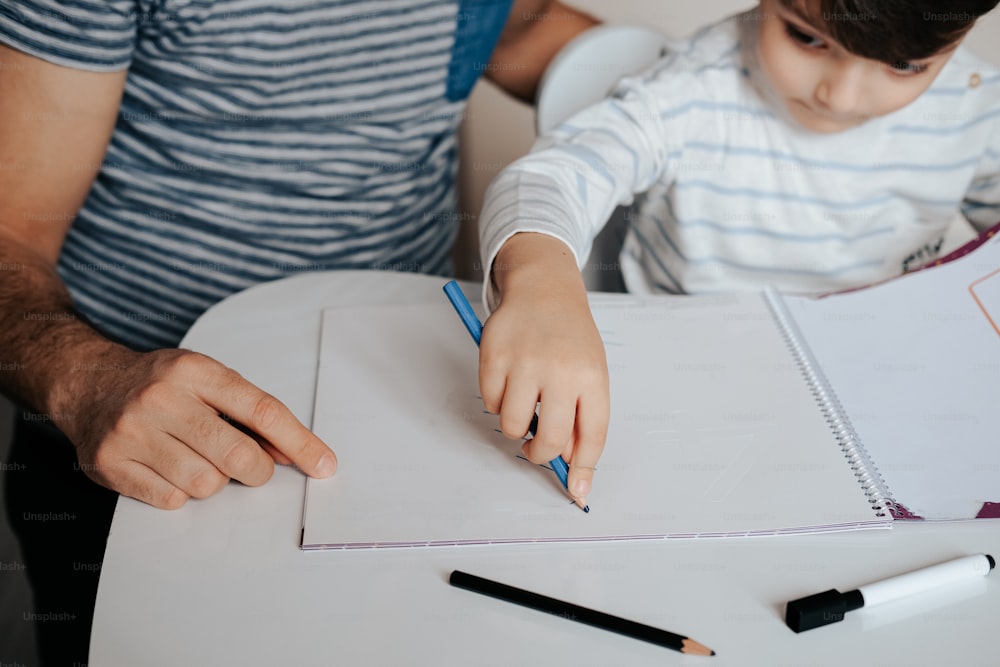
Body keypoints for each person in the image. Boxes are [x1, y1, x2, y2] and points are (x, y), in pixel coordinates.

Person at [0, 1, 600, 663]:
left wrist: (704, 81)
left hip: (407, 418)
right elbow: (10, 232)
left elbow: (515, 28)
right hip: (146, 444)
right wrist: (87, 380)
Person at [476, 0, 1000, 510]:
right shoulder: (692, 89)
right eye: (807, 37)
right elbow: (548, 180)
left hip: (882, 414)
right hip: (692, 413)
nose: (839, 96)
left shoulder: (974, 105)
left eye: (903, 65)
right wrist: (541, 283)